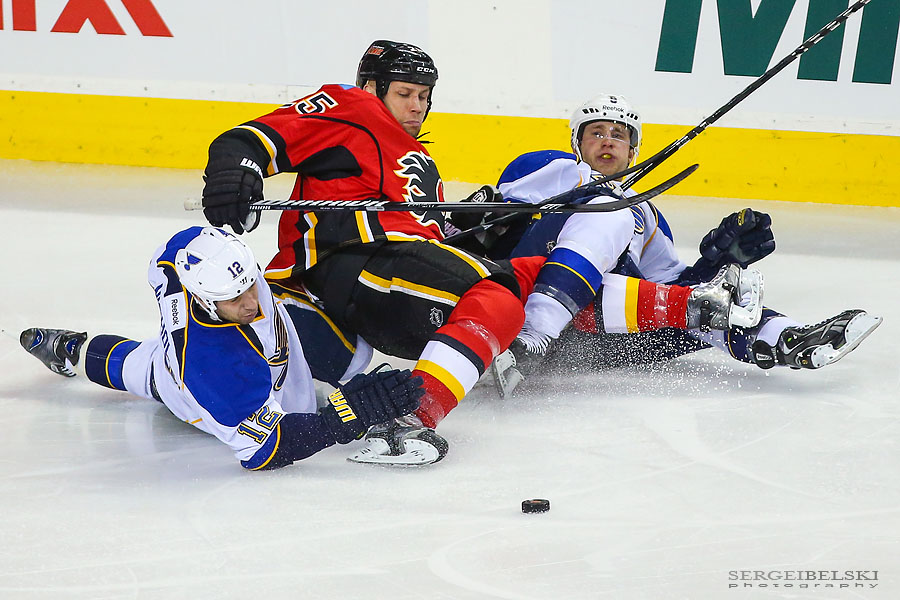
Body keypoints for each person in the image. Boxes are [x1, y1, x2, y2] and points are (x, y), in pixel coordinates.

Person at [198, 40, 550, 465]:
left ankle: (654, 322)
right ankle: (410, 419)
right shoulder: (352, 107)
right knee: (498, 290)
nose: (416, 106)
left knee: (540, 275)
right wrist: (234, 171)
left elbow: (424, 249)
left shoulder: (419, 159)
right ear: (370, 86)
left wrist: (483, 234)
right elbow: (250, 140)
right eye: (404, 93)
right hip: (347, 261)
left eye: (424, 96)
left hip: (381, 284)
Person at [485, 93, 882, 395]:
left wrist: (717, 259)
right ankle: (533, 336)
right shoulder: (553, 170)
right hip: (521, 303)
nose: (608, 141)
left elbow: (672, 287)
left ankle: (786, 339)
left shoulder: (648, 217)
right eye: (597, 133)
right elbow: (493, 215)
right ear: (577, 142)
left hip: (586, 342)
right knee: (607, 207)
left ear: (633, 152)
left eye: (619, 135)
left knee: (706, 306)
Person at [19, 226, 425, 470]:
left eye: (250, 283)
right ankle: (69, 350)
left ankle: (67, 347)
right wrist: (342, 420)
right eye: (235, 298)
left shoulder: (203, 263)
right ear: (205, 300)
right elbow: (265, 451)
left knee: (348, 348)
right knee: (142, 372)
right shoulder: (209, 365)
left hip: (227, 354)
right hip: (186, 388)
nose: (252, 302)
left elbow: (177, 250)